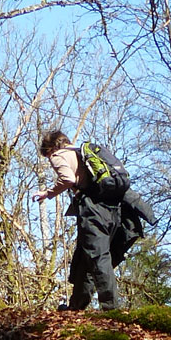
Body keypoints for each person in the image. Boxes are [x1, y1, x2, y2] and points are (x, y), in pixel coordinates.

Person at [33, 130, 121, 311]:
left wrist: (48, 193)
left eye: (47, 154)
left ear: (50, 149)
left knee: (98, 256)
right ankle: (76, 306)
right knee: (83, 257)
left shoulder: (58, 155)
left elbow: (67, 178)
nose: (49, 158)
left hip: (92, 209)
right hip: (110, 208)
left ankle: (111, 310)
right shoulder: (78, 151)